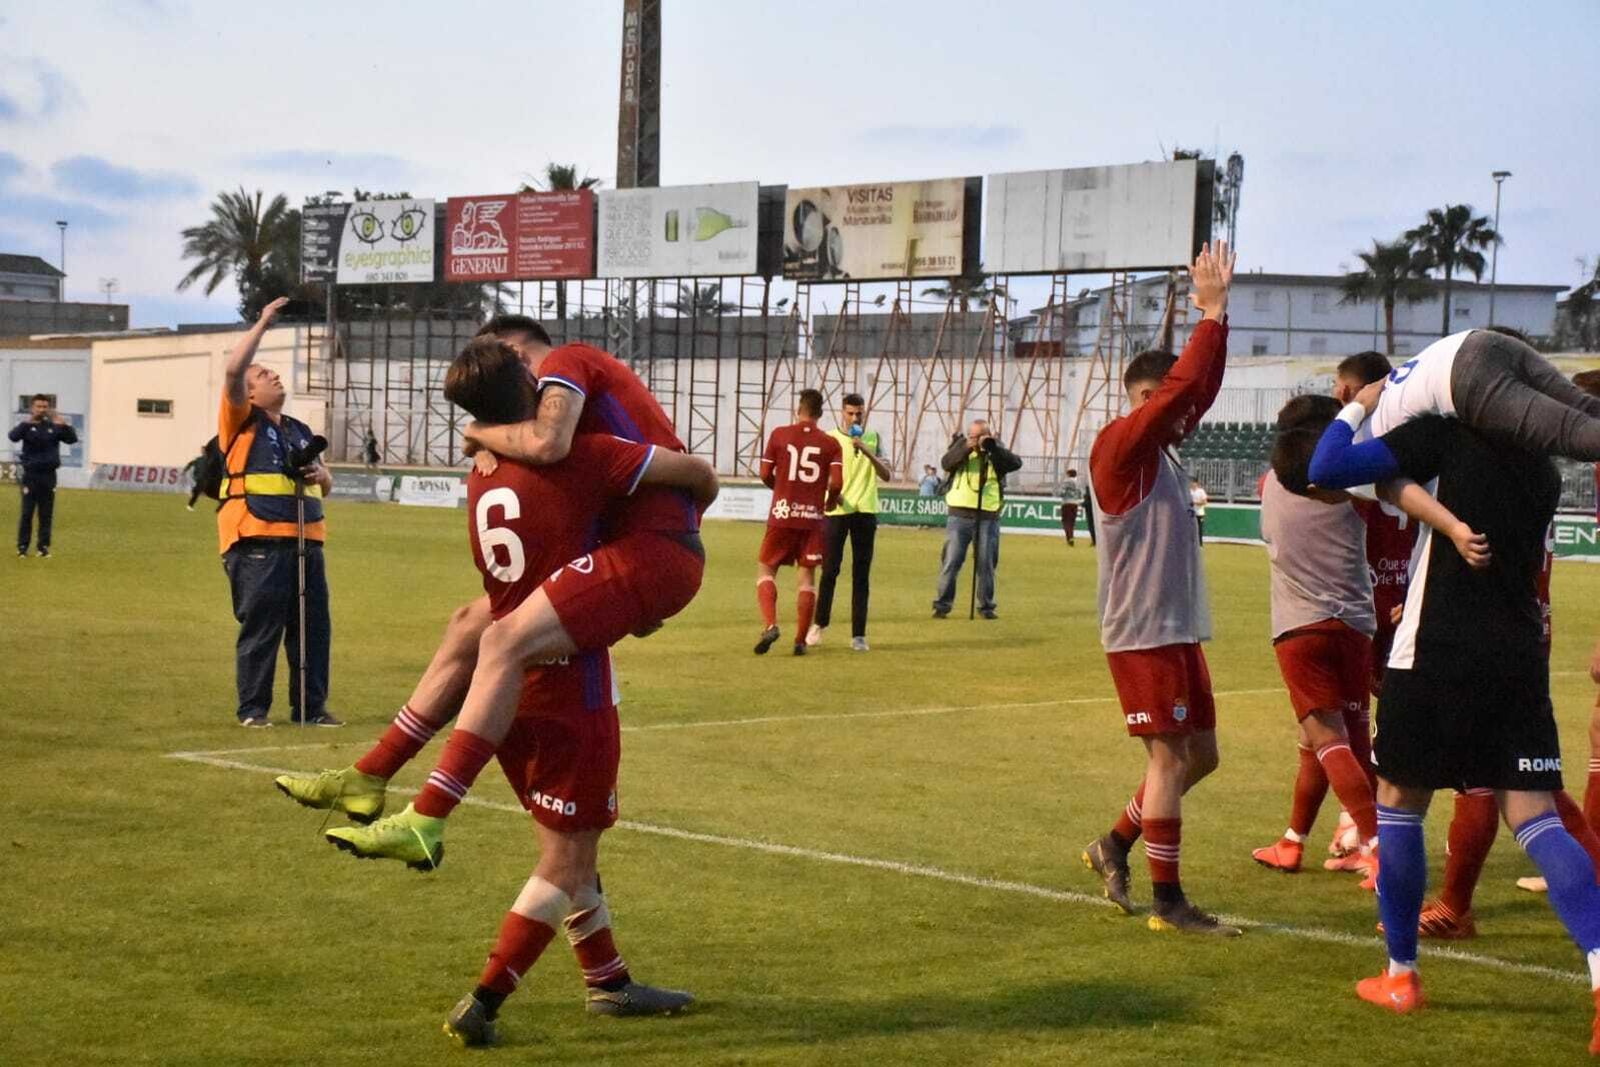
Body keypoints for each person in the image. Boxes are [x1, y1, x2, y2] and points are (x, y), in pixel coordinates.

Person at [330, 352, 706, 1043]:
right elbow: (693, 476)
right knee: (566, 861)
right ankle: (485, 998)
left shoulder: (485, 474)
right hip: (570, 686)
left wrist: (480, 437)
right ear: (538, 388)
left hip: (503, 698)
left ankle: (608, 980)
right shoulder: (585, 455)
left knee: (571, 852)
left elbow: (485, 610)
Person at [280, 323, 710, 860]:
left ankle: (427, 814)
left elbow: (548, 443)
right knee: (469, 625)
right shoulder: (566, 449)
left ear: (514, 350)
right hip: (620, 560)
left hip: (646, 552)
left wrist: (479, 432)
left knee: (501, 641)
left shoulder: (564, 374)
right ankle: (370, 774)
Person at [1309, 386, 1600, 1050]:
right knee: (1537, 818)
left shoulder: (1443, 435)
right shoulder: (1542, 466)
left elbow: (1326, 467)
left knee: (1399, 805)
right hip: (1518, 654)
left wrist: (1361, 404)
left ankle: (1401, 975)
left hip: (1433, 650)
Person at [1080, 240, 1236, 936]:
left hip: (1175, 626)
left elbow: (1196, 389)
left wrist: (1218, 324)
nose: (1169, 411)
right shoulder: (1120, 444)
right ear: (1138, 398)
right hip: (1142, 626)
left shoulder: (1164, 451)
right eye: (1157, 398)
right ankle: (1169, 902)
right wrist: (1210, 313)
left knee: (1200, 756)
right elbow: (1182, 391)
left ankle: (1114, 842)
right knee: (1169, 758)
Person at [216, 297, 340, 728]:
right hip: (257, 538)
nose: (273, 375)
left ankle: (310, 708)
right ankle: (253, 710)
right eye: (263, 374)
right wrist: (264, 322)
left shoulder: (299, 430)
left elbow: (326, 485)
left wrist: (321, 474)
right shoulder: (240, 419)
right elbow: (233, 371)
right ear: (249, 392)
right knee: (263, 627)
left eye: (272, 372)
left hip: (306, 540)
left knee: (312, 630)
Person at [754, 388, 842, 656]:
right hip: (812, 519)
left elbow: (765, 473)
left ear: (798, 409)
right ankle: (800, 641)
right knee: (806, 579)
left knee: (766, 570)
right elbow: (837, 483)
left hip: (782, 515)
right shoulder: (830, 444)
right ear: (820, 413)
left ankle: (771, 625)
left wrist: (781, 488)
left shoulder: (779, 435)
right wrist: (830, 501)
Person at [809, 393, 891, 651]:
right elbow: (820, 474)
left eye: (859, 414)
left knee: (861, 574)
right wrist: (834, 493)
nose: (855, 418)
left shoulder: (874, 438)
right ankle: (819, 623)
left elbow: (887, 474)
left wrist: (866, 450)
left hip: (865, 511)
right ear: (842, 413)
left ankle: (858, 635)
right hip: (837, 509)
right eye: (851, 413)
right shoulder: (829, 438)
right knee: (829, 570)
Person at [931, 419, 1021, 620]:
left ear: (988, 434)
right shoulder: (961, 446)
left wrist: (992, 448)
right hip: (959, 514)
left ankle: (986, 606)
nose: (976, 439)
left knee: (986, 564)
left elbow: (1015, 463)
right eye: (972, 435)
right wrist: (966, 448)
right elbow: (946, 462)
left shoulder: (996, 450)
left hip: (988, 515)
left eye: (979, 436)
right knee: (951, 561)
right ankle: (942, 605)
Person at [10, 393, 77, 558]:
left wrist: (64, 425)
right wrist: (27, 423)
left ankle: (43, 547)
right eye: (39, 406)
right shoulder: (26, 426)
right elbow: (13, 436)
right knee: (27, 513)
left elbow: (72, 439)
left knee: (46, 514)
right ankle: (22, 547)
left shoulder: (54, 426)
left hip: (49, 476)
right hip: (31, 475)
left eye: (45, 407)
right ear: (32, 408)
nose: (42, 410)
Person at [1059, 468, 1083, 546]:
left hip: (1067, 503)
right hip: (1075, 504)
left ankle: (1069, 538)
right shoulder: (1078, 483)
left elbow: (1062, 492)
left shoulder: (1066, 482)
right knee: (1072, 522)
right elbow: (1080, 494)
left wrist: (1061, 494)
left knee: (1066, 521)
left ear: (1068, 474)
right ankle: (1071, 536)